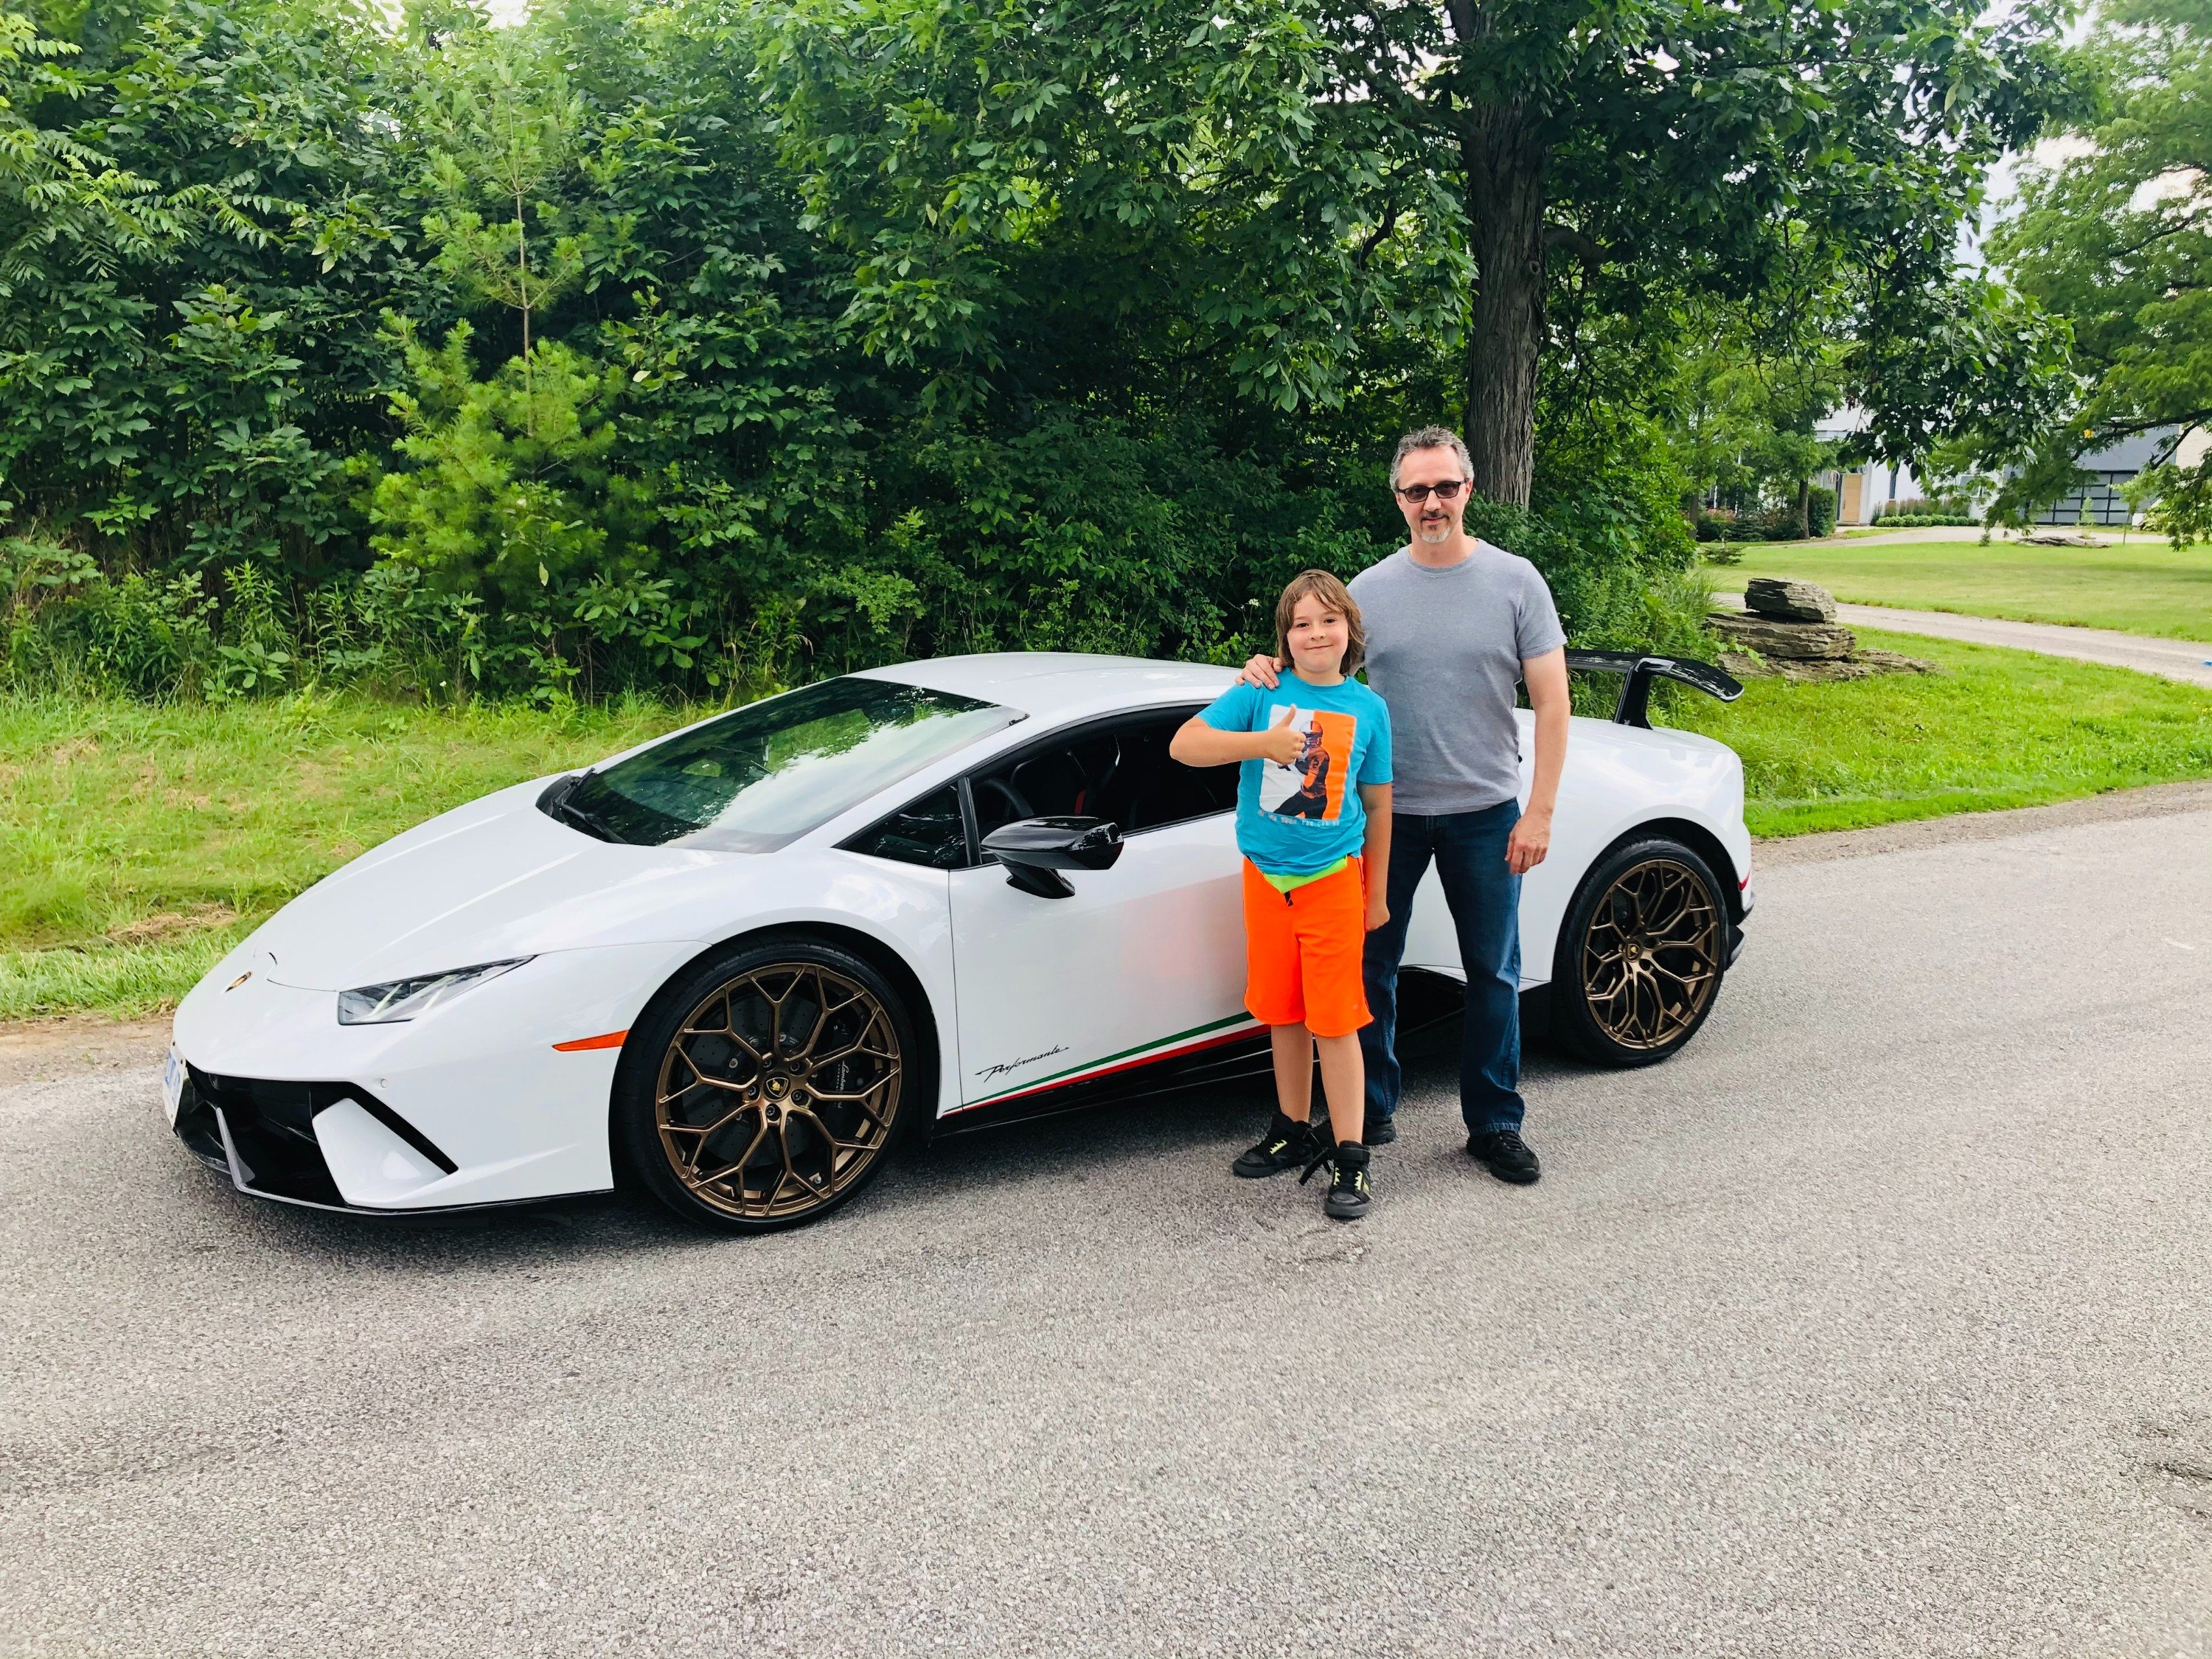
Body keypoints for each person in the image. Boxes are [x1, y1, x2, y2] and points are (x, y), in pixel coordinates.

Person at [1239, 426, 1568, 1186]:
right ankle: (1369, 1110)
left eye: (1445, 487)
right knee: (1371, 966)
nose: (1432, 502)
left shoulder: (1517, 582)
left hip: (1485, 812)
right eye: (1417, 491)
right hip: (1383, 816)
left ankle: (1494, 1123)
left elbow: (1553, 703)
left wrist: (1541, 811)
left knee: (1493, 971)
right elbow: (1314, 667)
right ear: (1398, 500)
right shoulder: (1370, 591)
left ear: (1468, 490)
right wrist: (1262, 668)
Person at [1171, 570, 1393, 1220]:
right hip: (1265, 881)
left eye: (1328, 620)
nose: (1315, 634)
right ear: (1284, 637)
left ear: (1350, 629)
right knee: (1284, 1013)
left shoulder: (1370, 709)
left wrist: (1377, 893)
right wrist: (1263, 743)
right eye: (1301, 624)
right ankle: (1292, 1129)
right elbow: (1186, 746)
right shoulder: (1261, 690)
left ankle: (1351, 1156)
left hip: (1332, 881)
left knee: (1337, 1020)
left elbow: (1380, 806)